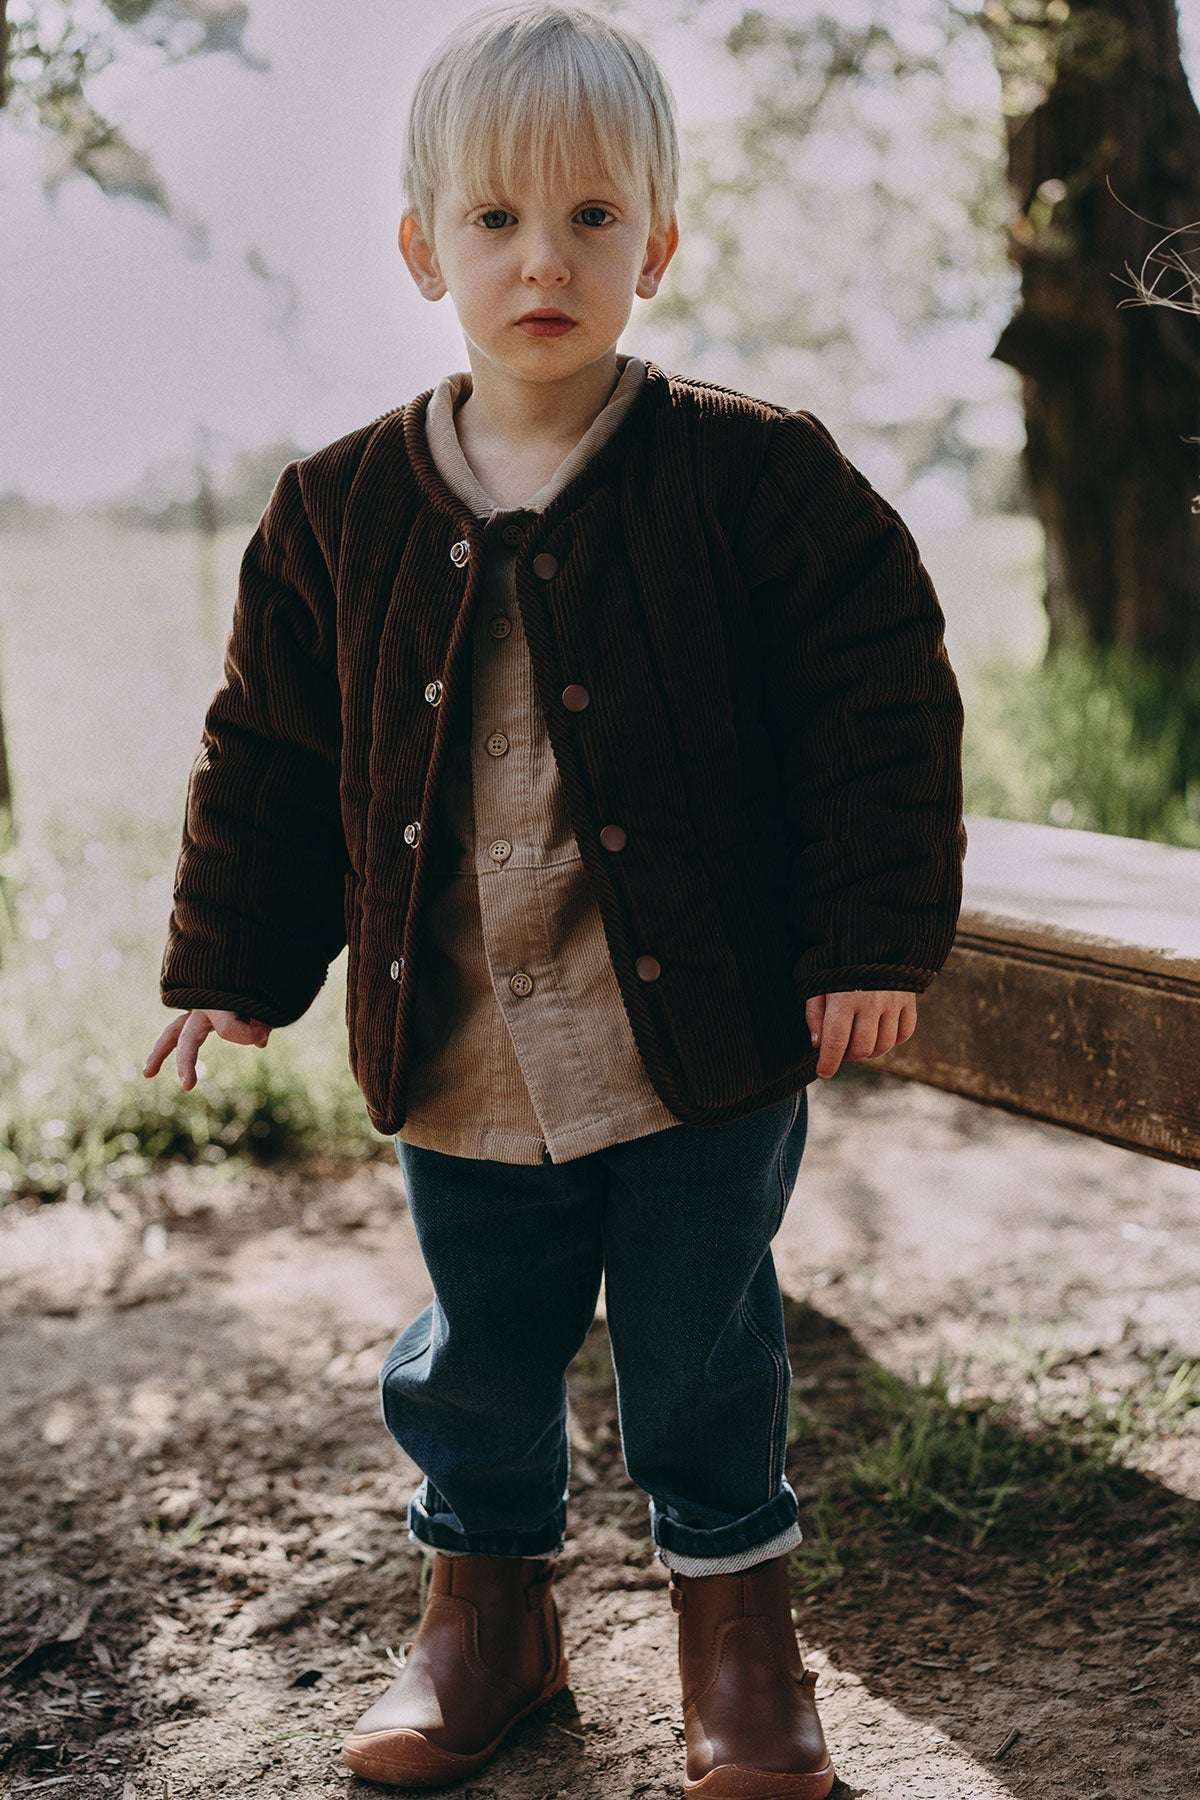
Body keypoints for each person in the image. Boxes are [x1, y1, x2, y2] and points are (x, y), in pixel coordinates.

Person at [144, 3, 967, 1792]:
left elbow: (880, 704)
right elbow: (274, 756)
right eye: (500, 220)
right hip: (462, 1035)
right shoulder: (337, 511)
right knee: (480, 1341)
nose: (546, 258)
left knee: (701, 1338)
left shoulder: (758, 481)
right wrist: (229, 962)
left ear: (657, 244)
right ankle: (488, 1623)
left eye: (595, 219)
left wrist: (869, 938)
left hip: (700, 1027)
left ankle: (740, 1644)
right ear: (423, 244)